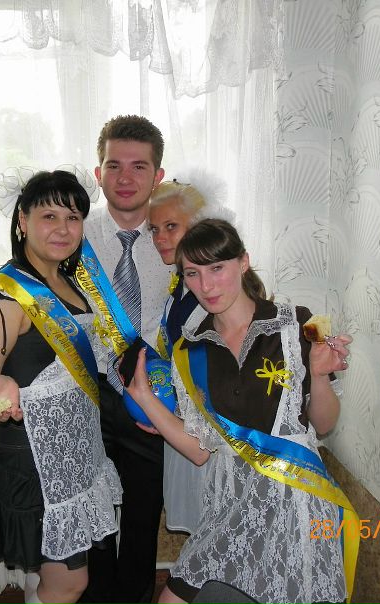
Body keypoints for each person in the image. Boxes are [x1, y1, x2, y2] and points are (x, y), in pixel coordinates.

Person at [125, 218, 356, 604]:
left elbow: (325, 422)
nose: (206, 286)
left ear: (243, 262)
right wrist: (147, 399)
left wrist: (317, 375)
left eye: (217, 268)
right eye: (193, 273)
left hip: (295, 504)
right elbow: (201, 449)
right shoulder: (188, 350)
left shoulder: (298, 322)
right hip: (229, 508)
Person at [0, 169, 122, 604]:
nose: (63, 229)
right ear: (22, 220)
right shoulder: (5, 297)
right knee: (70, 583)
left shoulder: (70, 282)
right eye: (49, 216)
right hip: (35, 459)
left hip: (76, 450)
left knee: (47, 578)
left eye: (73, 218)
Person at [79, 115, 169, 604]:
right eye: (114, 165)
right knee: (92, 515)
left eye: (139, 166)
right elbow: (16, 281)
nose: (125, 178)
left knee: (142, 515)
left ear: (158, 175)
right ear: (99, 173)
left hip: (151, 396)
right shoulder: (74, 234)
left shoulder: (176, 235)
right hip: (86, 390)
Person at [147, 172, 233, 534]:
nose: (160, 238)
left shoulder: (217, 295)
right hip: (186, 427)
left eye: (171, 226)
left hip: (216, 440)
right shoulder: (181, 285)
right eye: (154, 229)